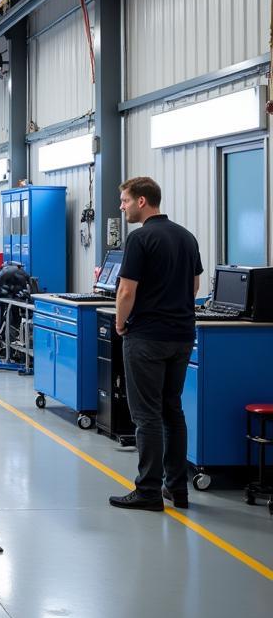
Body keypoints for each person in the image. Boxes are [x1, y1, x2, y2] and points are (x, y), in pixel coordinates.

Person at [109, 176, 202, 512]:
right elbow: (194, 285)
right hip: (181, 336)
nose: (122, 207)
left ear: (142, 201)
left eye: (124, 201)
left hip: (146, 337)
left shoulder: (140, 238)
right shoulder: (186, 237)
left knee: (146, 415)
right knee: (171, 410)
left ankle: (147, 490)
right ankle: (177, 489)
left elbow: (125, 291)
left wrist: (120, 323)